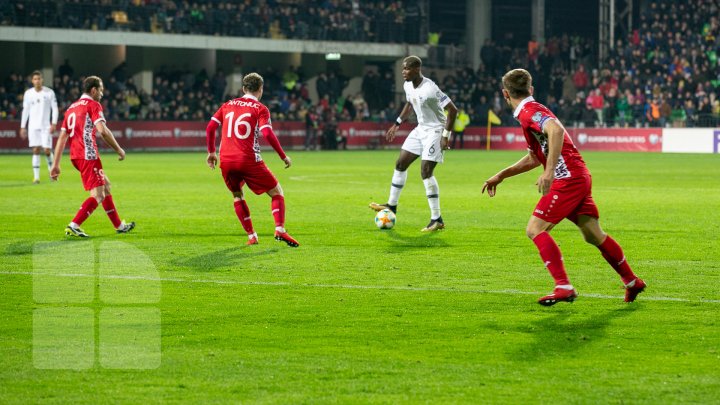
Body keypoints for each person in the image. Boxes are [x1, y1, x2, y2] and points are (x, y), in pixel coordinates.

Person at [482, 68, 645, 306]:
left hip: (567, 178)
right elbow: (533, 157)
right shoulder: (529, 112)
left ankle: (563, 286)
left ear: (505, 94)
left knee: (535, 229)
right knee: (592, 233)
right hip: (577, 175)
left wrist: (549, 172)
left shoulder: (530, 112)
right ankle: (632, 281)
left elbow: (555, 130)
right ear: (531, 89)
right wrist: (502, 175)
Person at [205, 72, 299, 247]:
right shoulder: (260, 109)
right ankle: (280, 229)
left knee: (237, 196)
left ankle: (252, 236)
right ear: (260, 89)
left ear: (243, 88)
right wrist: (283, 156)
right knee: (277, 192)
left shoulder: (227, 105)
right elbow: (267, 133)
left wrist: (211, 152)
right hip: (248, 159)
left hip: (226, 160)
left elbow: (210, 127)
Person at [369, 55, 457, 232]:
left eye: (407, 68)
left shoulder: (430, 88)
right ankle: (392, 206)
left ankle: (436, 218)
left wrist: (445, 135)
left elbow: (452, 110)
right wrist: (397, 123)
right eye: (403, 68)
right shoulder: (407, 85)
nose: (403, 72)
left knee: (426, 171)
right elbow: (410, 103)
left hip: (435, 130)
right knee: (400, 164)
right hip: (420, 129)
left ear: (417, 69)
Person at [50, 76, 135, 237]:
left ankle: (119, 225)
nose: (102, 93)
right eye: (101, 90)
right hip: (88, 155)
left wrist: (56, 164)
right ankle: (74, 224)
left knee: (106, 186)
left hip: (76, 156)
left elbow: (62, 137)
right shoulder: (93, 105)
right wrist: (119, 149)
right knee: (98, 195)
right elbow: (102, 131)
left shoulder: (71, 108)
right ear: (94, 90)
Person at [20, 70, 58, 184]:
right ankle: (36, 178)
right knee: (35, 150)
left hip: (46, 126)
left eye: (39, 79)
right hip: (33, 126)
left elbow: (55, 108)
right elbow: (25, 110)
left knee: (47, 150)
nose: (37, 81)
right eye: (35, 79)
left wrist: (54, 123)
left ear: (42, 80)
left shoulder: (49, 92)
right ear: (32, 81)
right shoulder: (28, 94)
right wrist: (23, 126)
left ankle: (52, 174)